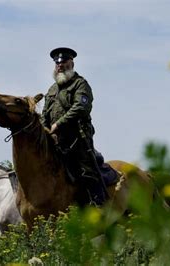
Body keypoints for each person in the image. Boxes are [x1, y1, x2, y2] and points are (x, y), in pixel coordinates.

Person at [41, 47, 117, 206]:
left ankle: (99, 204)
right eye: (57, 63)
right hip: (55, 140)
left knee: (87, 169)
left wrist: (58, 124)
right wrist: (43, 129)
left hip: (78, 137)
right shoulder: (52, 89)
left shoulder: (80, 84)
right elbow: (44, 114)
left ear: (71, 63)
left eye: (63, 62)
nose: (60, 65)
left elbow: (81, 108)